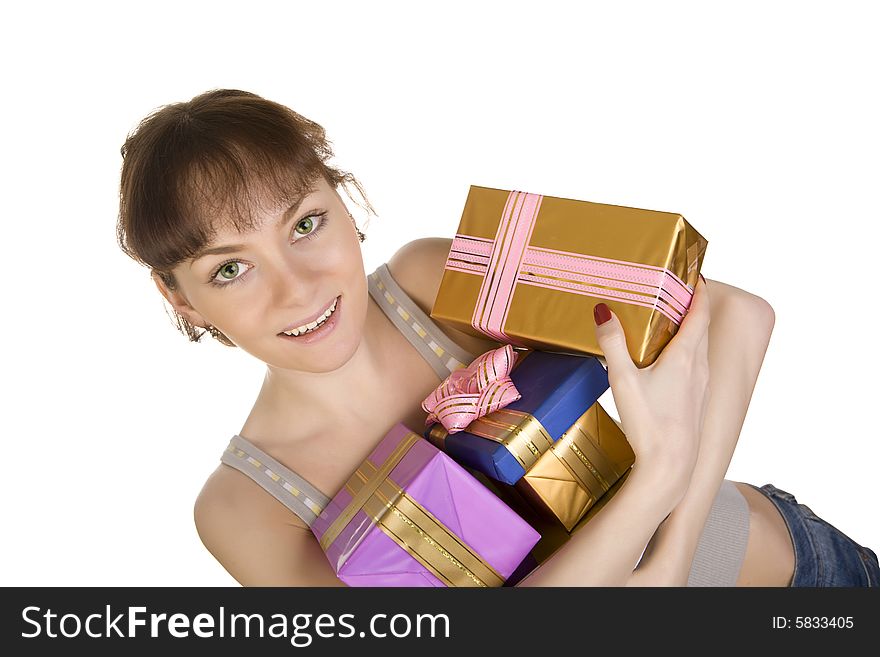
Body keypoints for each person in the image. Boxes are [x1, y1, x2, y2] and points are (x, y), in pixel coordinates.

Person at [117, 89, 879, 587]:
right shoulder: (245, 507)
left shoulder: (424, 283)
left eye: (306, 223)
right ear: (177, 296)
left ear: (344, 201)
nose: (299, 286)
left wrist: (672, 560)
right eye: (230, 269)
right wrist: (659, 477)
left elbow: (737, 314)